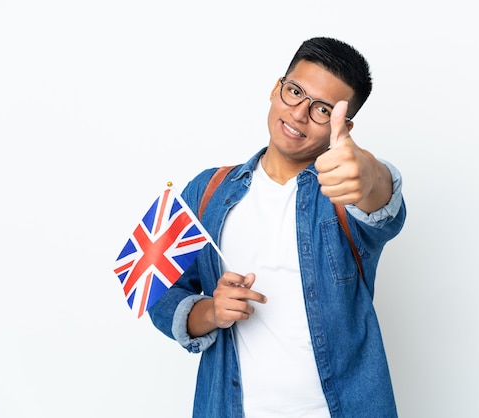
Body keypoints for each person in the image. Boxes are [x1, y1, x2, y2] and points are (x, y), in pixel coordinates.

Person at [149, 36, 406, 418]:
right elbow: (159, 289)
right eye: (295, 92)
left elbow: (380, 199)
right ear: (276, 88)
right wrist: (211, 312)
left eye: (322, 110)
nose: (299, 114)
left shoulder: (343, 191)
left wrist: (368, 173)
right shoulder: (207, 190)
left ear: (343, 125)